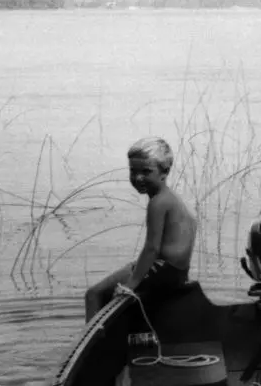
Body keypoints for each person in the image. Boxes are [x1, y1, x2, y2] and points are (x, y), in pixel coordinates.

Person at [84, 137, 198, 323]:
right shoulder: (173, 199)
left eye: (146, 171)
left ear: (165, 171)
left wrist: (130, 285)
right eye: (133, 171)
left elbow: (151, 248)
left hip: (161, 271)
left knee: (94, 295)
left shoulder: (158, 202)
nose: (138, 178)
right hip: (175, 273)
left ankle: (94, 348)